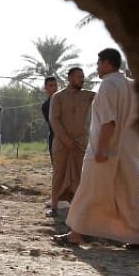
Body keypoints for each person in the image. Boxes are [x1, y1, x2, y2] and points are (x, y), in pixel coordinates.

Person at [56, 49, 139, 248]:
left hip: (105, 152)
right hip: (128, 153)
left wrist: (101, 149)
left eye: (99, 63)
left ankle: (76, 235)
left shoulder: (108, 85)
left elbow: (108, 122)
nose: (97, 67)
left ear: (107, 63)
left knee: (89, 192)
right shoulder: (132, 86)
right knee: (131, 195)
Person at [48, 67, 96, 215]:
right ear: (69, 78)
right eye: (78, 76)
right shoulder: (58, 97)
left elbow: (108, 97)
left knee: (80, 177)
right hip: (62, 144)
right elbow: (54, 119)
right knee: (59, 175)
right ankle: (54, 207)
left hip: (80, 144)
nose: (82, 79)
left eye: (83, 76)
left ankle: (77, 209)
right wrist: (65, 139)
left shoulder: (89, 96)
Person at [42, 76, 58, 208]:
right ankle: (58, 197)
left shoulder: (65, 100)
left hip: (72, 138)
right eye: (51, 85)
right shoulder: (46, 105)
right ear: (46, 88)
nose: (54, 88)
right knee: (57, 169)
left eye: (55, 85)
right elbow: (54, 124)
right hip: (56, 138)